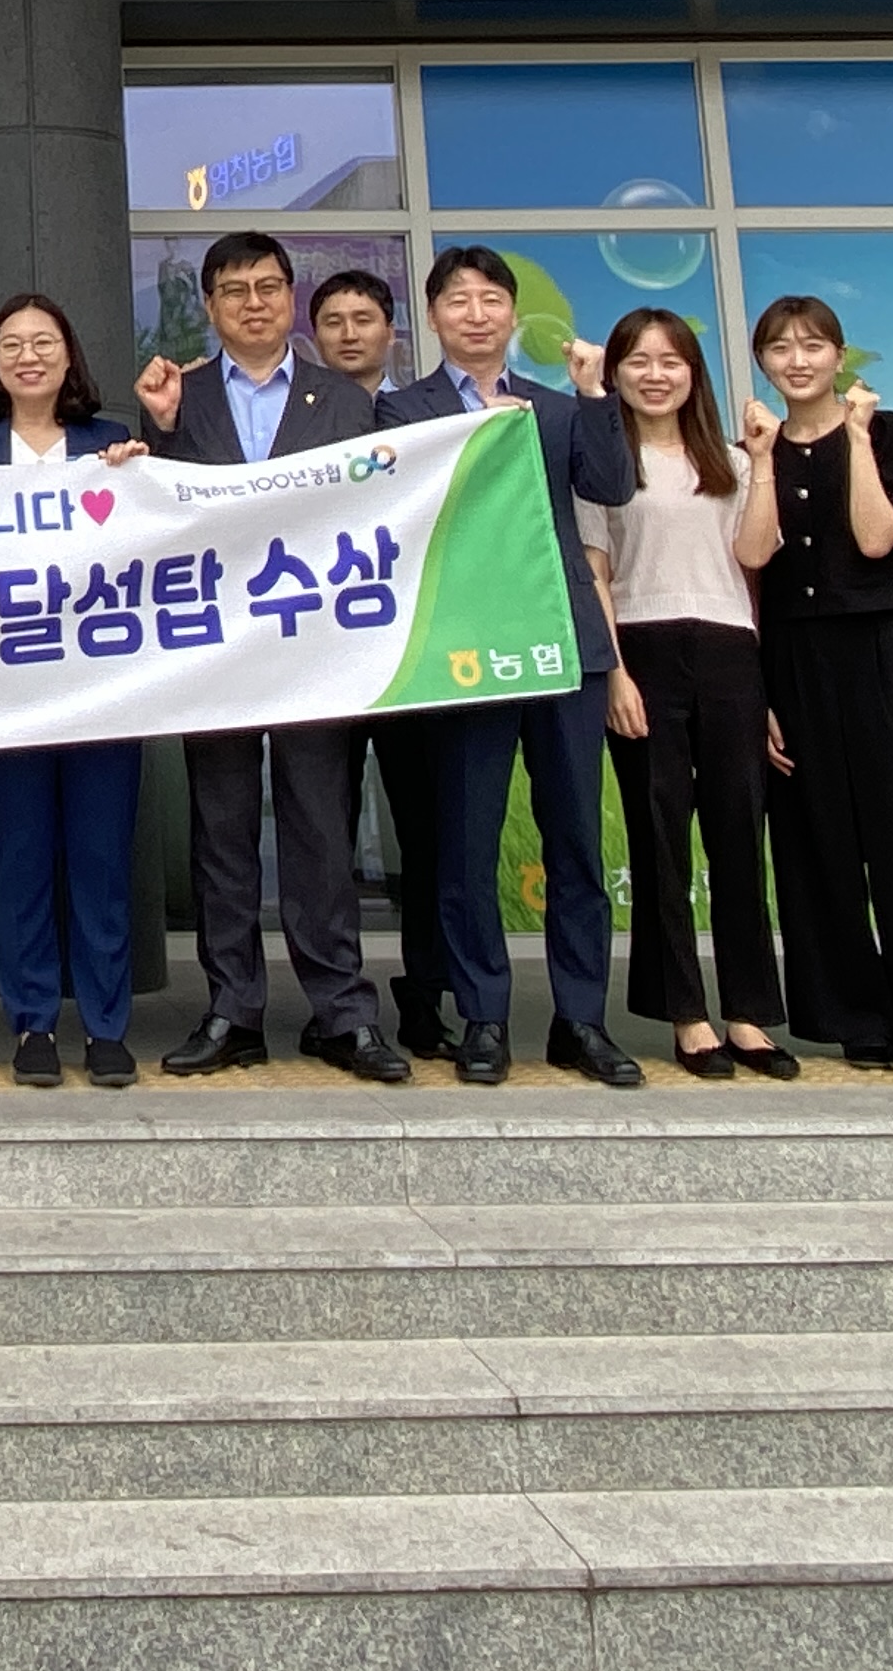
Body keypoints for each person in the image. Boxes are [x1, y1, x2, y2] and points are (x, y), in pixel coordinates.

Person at [131, 228, 404, 1084]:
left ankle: (343, 1012)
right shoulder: (176, 397)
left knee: (320, 831)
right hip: (215, 655)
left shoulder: (347, 401)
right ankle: (233, 1009)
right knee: (222, 835)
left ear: (292, 299)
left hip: (317, 652)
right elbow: (153, 515)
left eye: (268, 288)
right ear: (210, 307)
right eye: (235, 291)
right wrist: (159, 430)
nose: (254, 304)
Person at [372, 249, 641, 1090]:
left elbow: (612, 485)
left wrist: (596, 394)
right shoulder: (401, 410)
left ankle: (581, 1019)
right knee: (466, 841)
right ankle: (484, 1014)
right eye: (458, 301)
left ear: (512, 314)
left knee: (576, 842)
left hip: (561, 643)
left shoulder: (556, 407)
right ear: (434, 317)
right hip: (467, 651)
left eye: (491, 299)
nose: (477, 314)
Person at [736, 295, 893, 1070]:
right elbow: (752, 560)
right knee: (817, 844)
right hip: (794, 657)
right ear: (763, 362)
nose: (797, 360)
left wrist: (856, 437)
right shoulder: (755, 450)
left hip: (885, 648)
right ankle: (853, 1015)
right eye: (780, 348)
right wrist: (763, 460)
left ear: (839, 357)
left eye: (813, 346)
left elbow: (879, 538)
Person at [0, 292, 144, 1088]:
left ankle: (107, 1026)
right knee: (20, 861)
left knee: (101, 860)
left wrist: (143, 472)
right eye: (11, 343)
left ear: (68, 354)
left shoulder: (111, 442)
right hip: (7, 689)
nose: (29, 356)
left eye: (43, 341)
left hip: (103, 689)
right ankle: (33, 1025)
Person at [579, 307, 792, 1079]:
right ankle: (686, 1014)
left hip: (730, 649)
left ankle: (748, 1014)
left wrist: (763, 462)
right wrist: (614, 674)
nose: (655, 374)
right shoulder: (601, 464)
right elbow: (597, 573)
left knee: (739, 834)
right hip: (643, 648)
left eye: (671, 361)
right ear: (616, 373)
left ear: (694, 373)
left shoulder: (730, 461)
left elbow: (754, 555)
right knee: (659, 835)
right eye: (638, 361)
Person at [308, 268, 407, 404]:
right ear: (316, 339)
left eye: (363, 321)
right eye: (334, 323)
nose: (350, 336)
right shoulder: (298, 412)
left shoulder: (415, 412)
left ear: (390, 334)